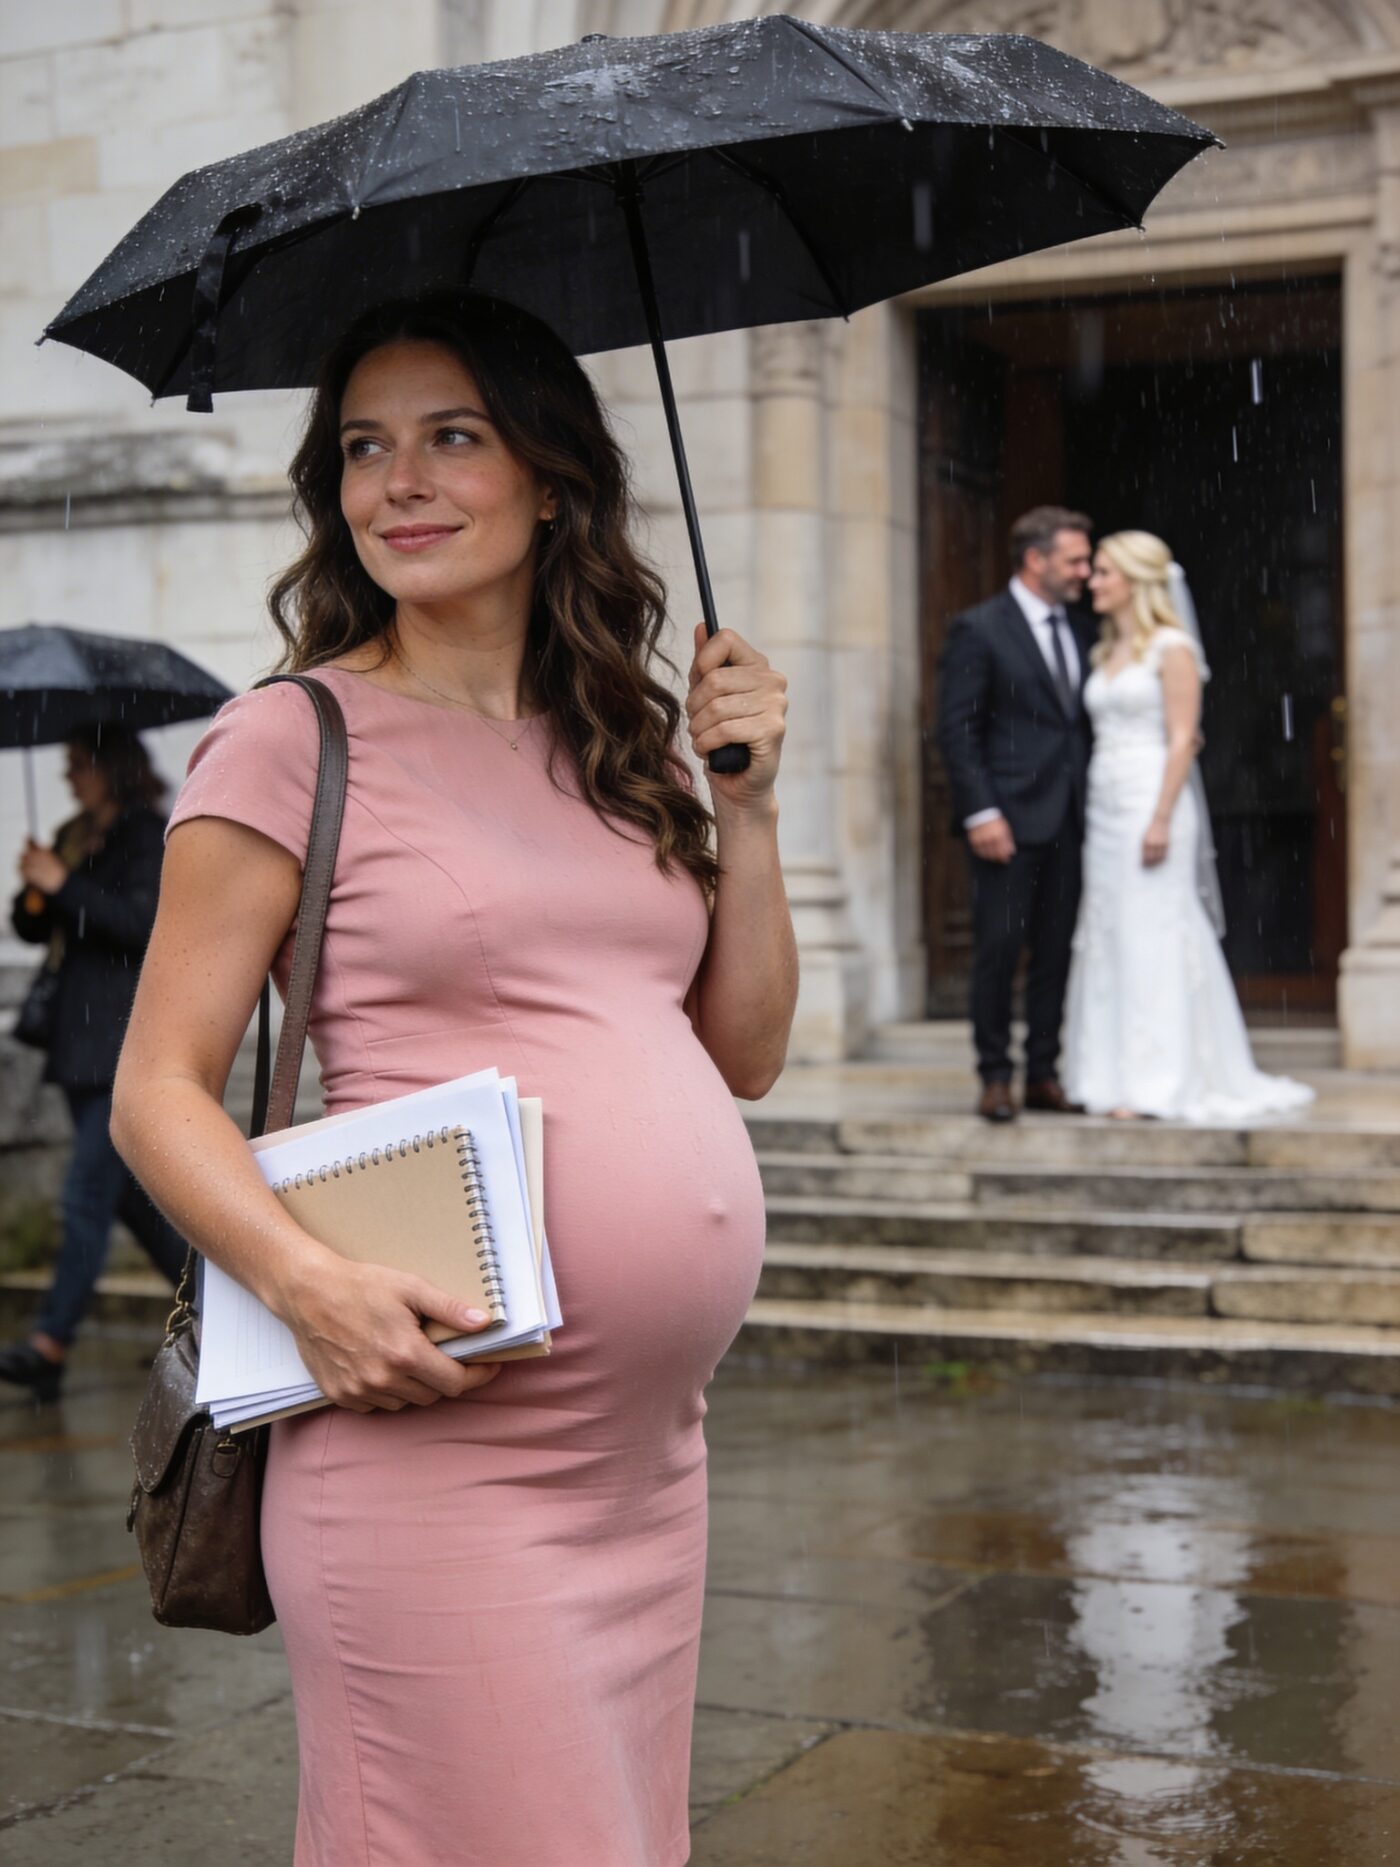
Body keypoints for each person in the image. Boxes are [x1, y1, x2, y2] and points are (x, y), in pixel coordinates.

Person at [110, 290, 796, 1867]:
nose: (397, 482)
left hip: (642, 1461)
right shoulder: (290, 737)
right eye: (364, 447)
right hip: (431, 1445)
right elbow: (158, 1085)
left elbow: (742, 1050)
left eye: (451, 437)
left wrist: (747, 814)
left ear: (552, 476)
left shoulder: (619, 735)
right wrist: (304, 1281)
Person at [1062, 529, 1314, 1122]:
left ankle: (1160, 1077)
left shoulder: (1171, 647)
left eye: (1103, 571)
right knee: (1108, 929)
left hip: (1156, 800)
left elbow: (1183, 738)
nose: (1092, 582)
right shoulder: (1105, 651)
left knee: (1153, 928)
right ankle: (1108, 1073)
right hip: (1104, 804)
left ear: (1135, 580)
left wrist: (1160, 817)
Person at [1, 728, 185, 1402]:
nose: (69, 777)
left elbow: (141, 924)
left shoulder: (148, 835)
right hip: (80, 1042)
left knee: (85, 1195)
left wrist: (66, 884)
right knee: (134, 1204)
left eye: (78, 764)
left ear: (112, 766)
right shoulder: (76, 831)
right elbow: (34, 927)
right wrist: (36, 890)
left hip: (123, 1038)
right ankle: (218, 1316)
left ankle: (50, 1342)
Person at [937, 506, 1095, 1122]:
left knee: (1057, 952)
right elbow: (957, 728)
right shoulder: (979, 629)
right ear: (1036, 559)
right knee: (999, 950)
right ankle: (995, 1076)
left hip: (1074, 821)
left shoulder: (1085, 632)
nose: (1085, 570)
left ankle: (1044, 1074)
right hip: (1006, 820)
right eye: (1075, 559)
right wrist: (981, 811)